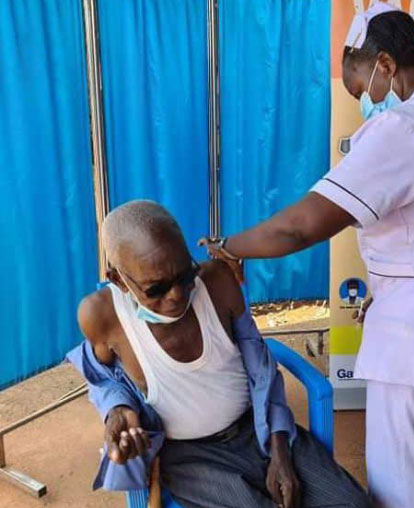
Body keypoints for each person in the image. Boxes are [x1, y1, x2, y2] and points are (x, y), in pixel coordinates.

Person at [200, 4, 414, 507]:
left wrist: (226, 248)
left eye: (360, 87)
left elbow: (301, 227)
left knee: (398, 464)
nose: (365, 102)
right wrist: (389, 290)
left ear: (385, 64)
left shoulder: (407, 128)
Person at [68, 200, 370, 508]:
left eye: (185, 276)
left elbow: (262, 369)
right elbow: (102, 377)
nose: (177, 296)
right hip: (188, 456)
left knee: (352, 504)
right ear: (119, 280)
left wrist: (279, 450)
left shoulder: (217, 282)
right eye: (156, 289)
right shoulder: (102, 316)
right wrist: (118, 409)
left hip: (256, 426)